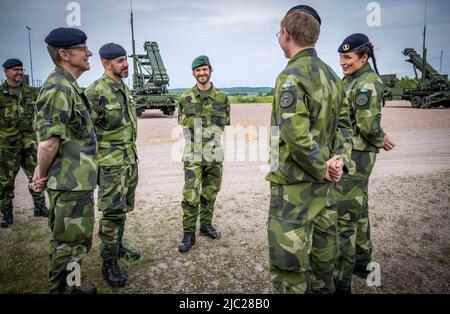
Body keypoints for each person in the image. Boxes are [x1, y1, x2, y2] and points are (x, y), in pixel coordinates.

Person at [266, 5, 350, 294]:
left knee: (289, 267)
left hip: (294, 190)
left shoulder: (291, 76)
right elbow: (343, 126)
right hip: (325, 191)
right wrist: (337, 160)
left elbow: (295, 136)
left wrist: (323, 167)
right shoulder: (332, 77)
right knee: (323, 263)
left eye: (279, 32)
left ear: (286, 34)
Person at [31, 27, 98, 294]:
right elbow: (48, 142)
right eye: (83, 48)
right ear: (64, 54)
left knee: (75, 244)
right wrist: (39, 174)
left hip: (76, 183)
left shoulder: (67, 86)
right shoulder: (59, 88)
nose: (89, 52)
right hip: (69, 185)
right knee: (68, 245)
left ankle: (71, 289)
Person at [334, 33, 395, 293]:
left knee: (344, 218)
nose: (342, 62)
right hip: (354, 156)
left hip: (355, 158)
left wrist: (382, 138)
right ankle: (361, 262)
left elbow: (368, 125)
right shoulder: (352, 79)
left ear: (364, 57)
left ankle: (341, 281)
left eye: (347, 57)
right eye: (340, 57)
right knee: (358, 211)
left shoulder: (367, 82)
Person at [85, 42, 140, 288]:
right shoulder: (95, 91)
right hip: (109, 167)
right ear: (106, 64)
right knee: (111, 215)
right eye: (119, 60)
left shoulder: (124, 89)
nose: (125, 63)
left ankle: (117, 248)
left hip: (129, 161)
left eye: (125, 58)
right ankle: (108, 263)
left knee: (123, 210)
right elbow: (86, 134)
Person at [177, 55, 230, 253]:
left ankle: (206, 225)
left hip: (215, 154)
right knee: (191, 195)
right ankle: (188, 233)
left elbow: (224, 123)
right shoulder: (185, 97)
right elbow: (182, 122)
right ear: (193, 73)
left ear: (211, 70)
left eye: (204, 69)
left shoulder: (223, 98)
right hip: (193, 155)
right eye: (198, 70)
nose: (202, 73)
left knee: (210, 192)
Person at [0, 58, 48, 228]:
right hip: (7, 146)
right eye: (15, 70)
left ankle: (40, 208)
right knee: (5, 182)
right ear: (6, 71)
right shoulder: (1, 93)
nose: (19, 73)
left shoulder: (32, 92)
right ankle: (6, 213)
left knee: (37, 177)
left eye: (21, 69)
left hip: (29, 144)